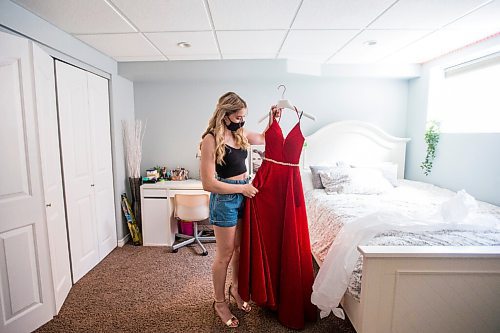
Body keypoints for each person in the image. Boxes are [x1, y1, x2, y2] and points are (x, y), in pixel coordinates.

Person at [199, 92, 279, 328]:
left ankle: (236, 288)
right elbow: (208, 183)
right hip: (225, 198)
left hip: (245, 193)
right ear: (225, 115)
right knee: (224, 255)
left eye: (244, 117)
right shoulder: (211, 139)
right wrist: (242, 189)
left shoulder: (240, 133)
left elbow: (264, 137)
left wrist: (273, 119)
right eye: (238, 116)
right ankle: (219, 302)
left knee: (241, 249)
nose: (242, 121)